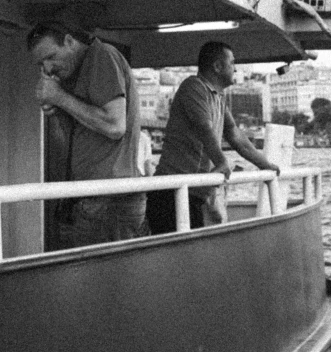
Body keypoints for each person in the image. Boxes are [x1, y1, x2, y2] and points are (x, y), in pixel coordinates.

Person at [27, 21, 148, 247]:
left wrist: (60, 98)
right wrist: (55, 110)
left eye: (52, 56)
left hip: (110, 198)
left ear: (70, 41)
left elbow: (115, 126)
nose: (49, 67)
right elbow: (68, 146)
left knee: (99, 279)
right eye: (42, 63)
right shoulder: (72, 76)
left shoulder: (102, 57)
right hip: (90, 197)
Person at [146, 41, 280, 234]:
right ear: (217, 67)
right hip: (171, 194)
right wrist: (222, 162)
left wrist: (265, 165)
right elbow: (204, 127)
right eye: (232, 63)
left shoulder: (218, 95)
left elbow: (234, 134)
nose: (236, 68)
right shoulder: (193, 87)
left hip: (192, 194)